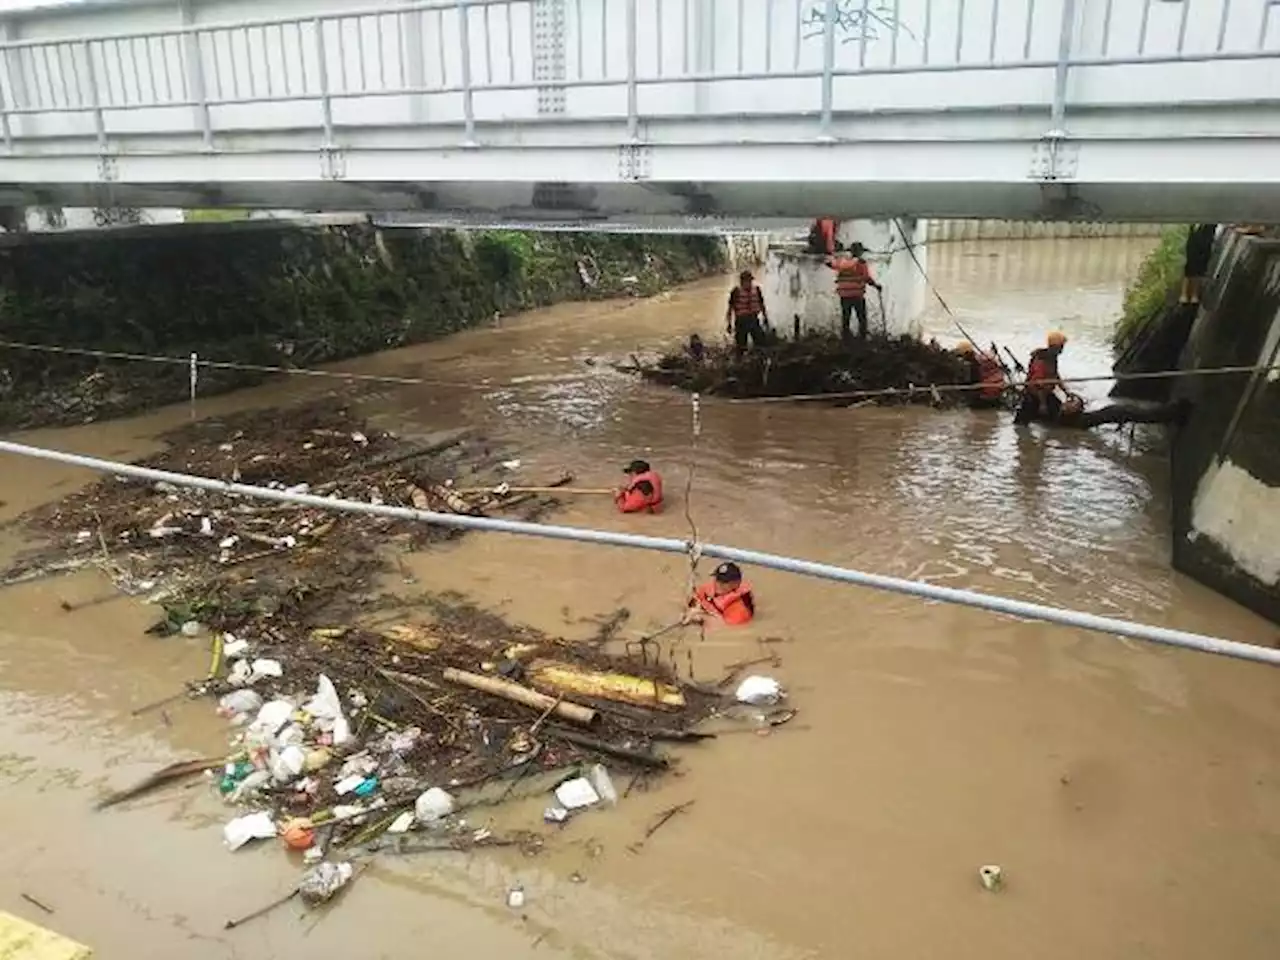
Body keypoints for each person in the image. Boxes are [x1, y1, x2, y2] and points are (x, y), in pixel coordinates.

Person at [825, 242, 881, 340]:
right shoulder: (861, 263)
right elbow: (866, 278)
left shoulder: (842, 262)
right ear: (860, 252)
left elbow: (829, 264)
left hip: (844, 295)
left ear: (851, 252)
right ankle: (862, 339)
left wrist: (833, 255)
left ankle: (845, 338)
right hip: (857, 295)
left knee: (846, 318)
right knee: (862, 319)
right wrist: (876, 286)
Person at [1014, 331, 1069, 425]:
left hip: (1046, 393)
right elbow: (1038, 384)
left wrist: (1066, 391)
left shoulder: (1052, 357)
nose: (1062, 350)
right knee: (1022, 424)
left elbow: (1055, 375)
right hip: (1034, 395)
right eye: (1061, 347)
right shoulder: (1041, 360)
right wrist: (1042, 404)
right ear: (1054, 347)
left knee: (1058, 410)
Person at [686, 562, 755, 626]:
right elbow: (694, 598)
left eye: (724, 582)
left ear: (736, 583)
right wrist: (694, 607)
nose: (718, 584)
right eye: (718, 579)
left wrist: (699, 617)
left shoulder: (740, 609)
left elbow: (725, 627)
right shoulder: (710, 588)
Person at [725, 270, 769, 352]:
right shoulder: (736, 291)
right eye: (747, 281)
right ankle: (741, 360)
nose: (749, 283)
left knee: (761, 343)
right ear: (742, 281)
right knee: (741, 346)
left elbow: (762, 304)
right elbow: (730, 309)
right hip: (741, 321)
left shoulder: (757, 290)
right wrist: (729, 324)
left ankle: (759, 358)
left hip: (753, 319)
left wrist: (765, 317)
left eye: (750, 281)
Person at [954, 340, 1006, 408]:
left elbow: (972, 382)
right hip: (997, 394)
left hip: (981, 398)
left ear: (966, 353)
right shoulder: (984, 360)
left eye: (961, 355)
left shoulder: (973, 365)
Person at [1180, 224, 1217, 305]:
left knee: (1200, 265)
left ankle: (1194, 294)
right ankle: (1185, 294)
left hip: (1206, 236)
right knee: (1190, 263)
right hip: (1195, 234)